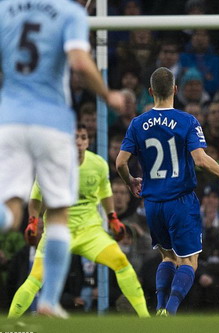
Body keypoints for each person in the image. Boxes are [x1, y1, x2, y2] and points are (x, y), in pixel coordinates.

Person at [0, 0, 124, 317]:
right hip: (52, 124)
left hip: (9, 120)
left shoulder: (5, 8)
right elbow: (80, 63)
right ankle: (49, 302)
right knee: (57, 212)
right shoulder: (69, 13)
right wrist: (108, 96)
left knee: (11, 210)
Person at [116, 67, 219, 316]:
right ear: (175, 90)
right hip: (180, 201)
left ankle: (161, 308)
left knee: (167, 258)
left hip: (152, 203)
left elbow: (120, 162)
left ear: (151, 92)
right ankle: (170, 311)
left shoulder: (138, 124)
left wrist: (130, 181)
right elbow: (201, 160)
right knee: (189, 261)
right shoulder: (187, 121)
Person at [8, 124, 148, 318]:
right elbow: (36, 198)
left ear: (87, 141)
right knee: (35, 278)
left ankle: (146, 319)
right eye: (74, 137)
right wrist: (32, 221)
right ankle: (9, 323)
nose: (79, 142)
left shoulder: (98, 164)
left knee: (121, 262)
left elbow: (105, 193)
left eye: (83, 137)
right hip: (58, 232)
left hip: (90, 231)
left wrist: (113, 219)